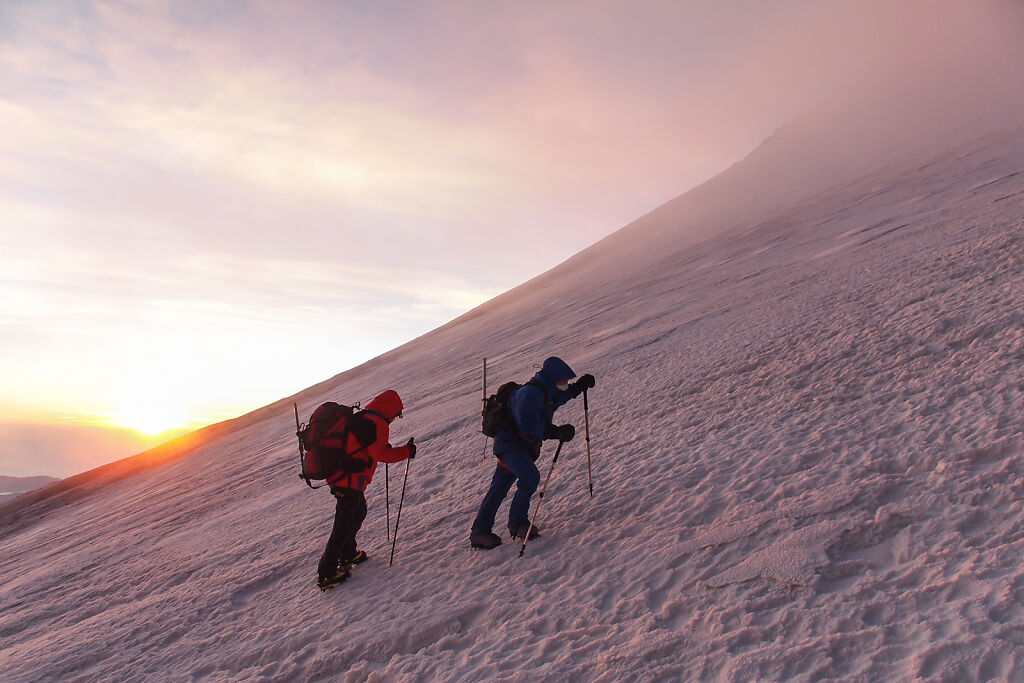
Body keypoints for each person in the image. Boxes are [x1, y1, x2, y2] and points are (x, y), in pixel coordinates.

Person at [470, 357, 595, 550]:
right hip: (510, 446)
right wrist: (555, 432)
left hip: (518, 447)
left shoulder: (545, 390)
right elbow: (528, 425)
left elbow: (556, 399)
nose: (565, 384)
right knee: (529, 478)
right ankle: (517, 523)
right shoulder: (529, 394)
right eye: (564, 381)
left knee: (499, 488)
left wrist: (577, 388)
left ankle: (481, 532)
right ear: (554, 377)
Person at [318, 389, 415, 590]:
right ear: (391, 409)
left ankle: (347, 554)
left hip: (344, 478)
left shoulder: (366, 416)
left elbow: (370, 447)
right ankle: (326, 573)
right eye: (397, 413)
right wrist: (406, 452)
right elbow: (381, 454)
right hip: (348, 480)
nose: (396, 417)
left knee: (358, 512)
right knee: (343, 525)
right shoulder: (377, 423)